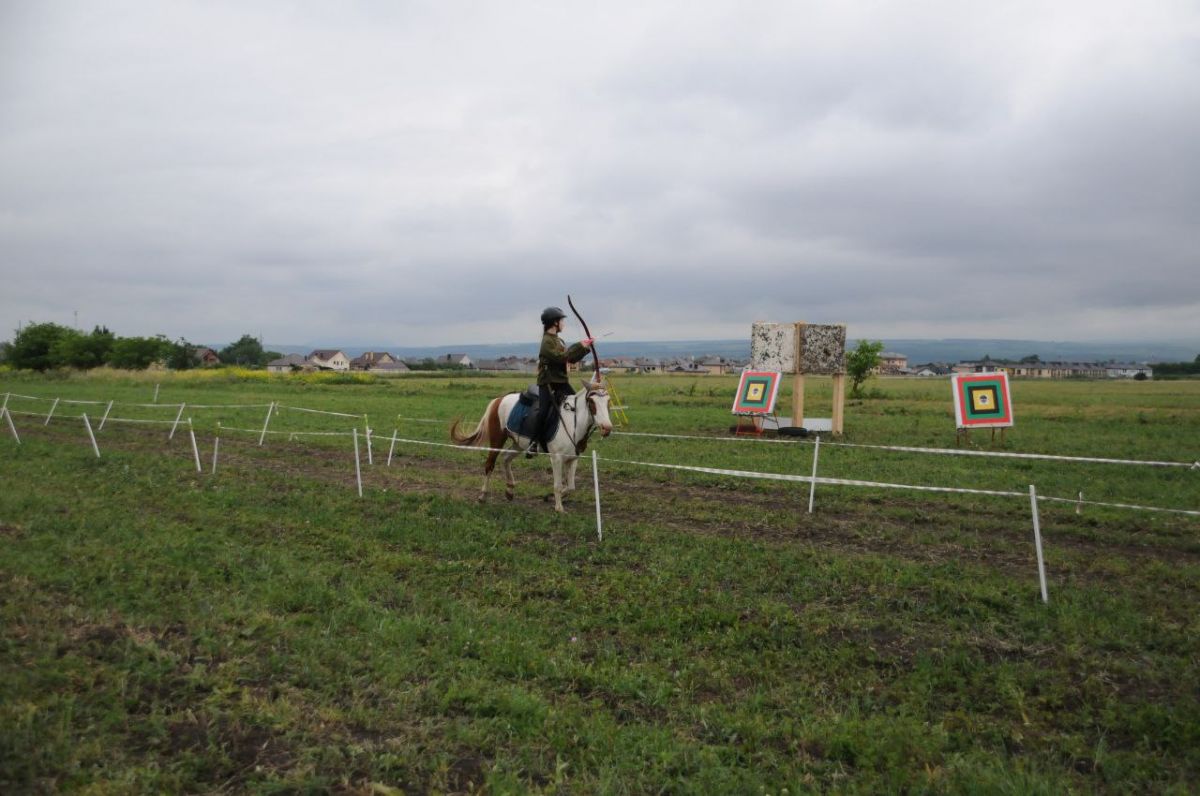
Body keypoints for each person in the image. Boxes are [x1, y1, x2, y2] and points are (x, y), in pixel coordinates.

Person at [530, 306, 593, 456]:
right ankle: (534, 443)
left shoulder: (559, 341)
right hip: (548, 383)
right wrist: (579, 345)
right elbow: (560, 358)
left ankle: (576, 439)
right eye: (561, 320)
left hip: (562, 382)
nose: (563, 323)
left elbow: (570, 358)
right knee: (543, 412)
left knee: (578, 405)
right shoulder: (546, 341)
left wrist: (585, 348)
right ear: (554, 323)